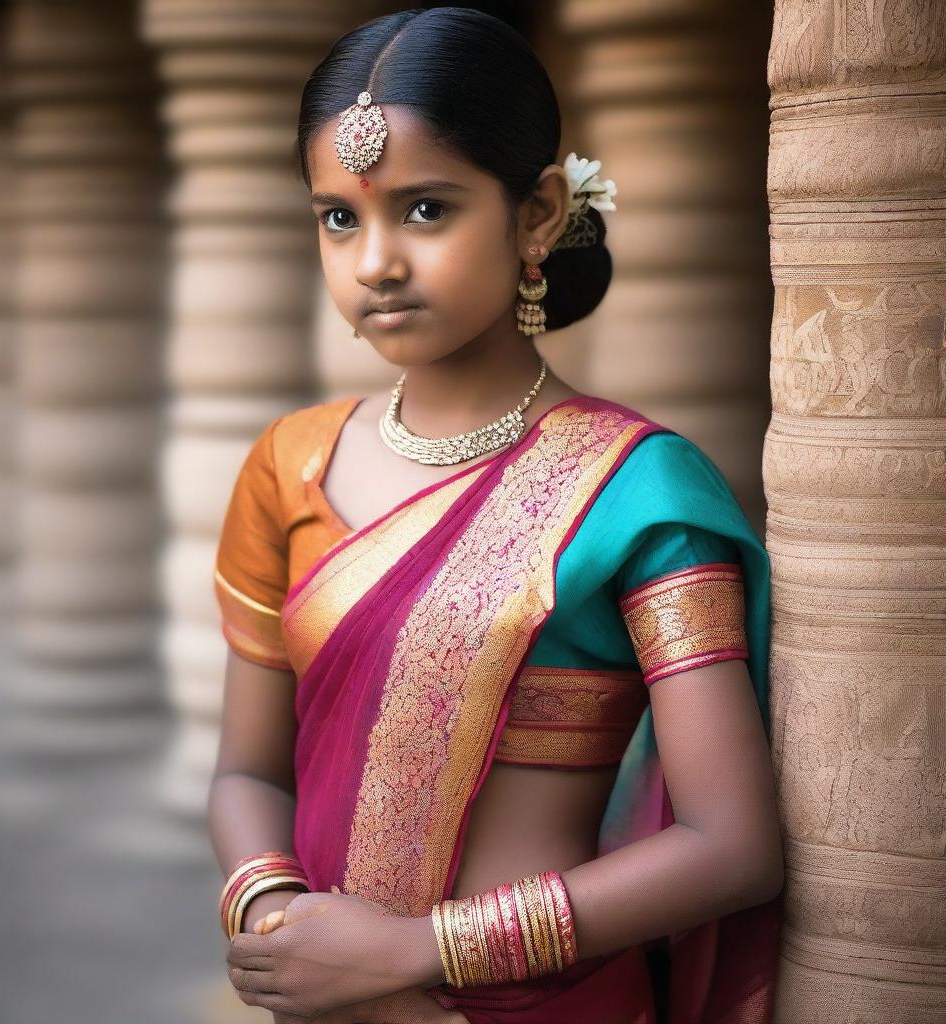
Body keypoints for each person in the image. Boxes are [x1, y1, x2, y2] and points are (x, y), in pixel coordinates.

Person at [209, 8, 784, 1024]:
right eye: (339, 217)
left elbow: (729, 846)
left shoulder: (637, 490)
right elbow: (248, 769)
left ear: (536, 214)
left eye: (425, 210)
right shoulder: (287, 465)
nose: (375, 260)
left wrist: (408, 953)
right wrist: (279, 916)